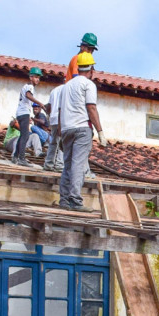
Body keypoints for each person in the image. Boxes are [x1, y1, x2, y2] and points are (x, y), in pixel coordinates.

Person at [57, 52, 107, 211]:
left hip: (66, 129)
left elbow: (60, 111)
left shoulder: (66, 87)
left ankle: (64, 200)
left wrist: (60, 133)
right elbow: (91, 108)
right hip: (81, 129)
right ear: (91, 69)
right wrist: (100, 131)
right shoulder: (88, 85)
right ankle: (75, 201)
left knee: (68, 165)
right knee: (78, 165)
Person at [12, 67, 43, 165]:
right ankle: (21, 159)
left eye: (38, 77)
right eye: (35, 77)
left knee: (23, 135)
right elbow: (28, 95)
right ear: (31, 77)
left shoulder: (26, 86)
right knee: (25, 136)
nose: (37, 79)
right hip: (23, 112)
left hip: (21, 113)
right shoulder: (30, 87)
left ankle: (15, 156)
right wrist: (40, 103)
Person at [44, 81, 66, 172]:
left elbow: (48, 106)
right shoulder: (67, 89)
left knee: (53, 142)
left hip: (53, 119)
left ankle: (48, 164)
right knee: (62, 142)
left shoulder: (54, 90)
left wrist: (49, 115)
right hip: (62, 118)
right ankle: (59, 165)